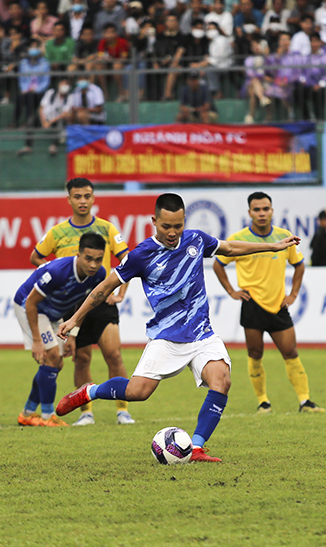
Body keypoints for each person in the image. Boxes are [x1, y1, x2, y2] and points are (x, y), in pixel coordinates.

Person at [55, 193, 301, 462]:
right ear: (154, 222)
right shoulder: (141, 255)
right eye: (166, 226)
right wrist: (75, 319)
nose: (173, 233)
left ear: (184, 221)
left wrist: (274, 247)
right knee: (138, 392)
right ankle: (89, 391)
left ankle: (196, 447)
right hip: (167, 337)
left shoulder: (196, 240)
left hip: (201, 333)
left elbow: (229, 248)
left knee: (222, 380)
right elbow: (103, 289)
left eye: (178, 225)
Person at [29, 177, 134, 426]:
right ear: (69, 200)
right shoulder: (57, 232)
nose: (83, 201)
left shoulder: (108, 229)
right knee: (82, 359)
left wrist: (119, 293)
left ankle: (123, 410)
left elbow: (128, 260)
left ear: (93, 198)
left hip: (101, 303)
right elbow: (36, 256)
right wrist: (55, 279)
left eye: (87, 196)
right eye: (77, 196)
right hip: (71, 307)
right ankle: (86, 412)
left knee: (114, 354)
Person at [212, 192, 325, 414]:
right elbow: (218, 264)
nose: (262, 213)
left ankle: (305, 401)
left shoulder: (284, 237)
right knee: (255, 354)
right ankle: (263, 402)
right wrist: (231, 291)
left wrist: (293, 294)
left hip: (278, 305)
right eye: (257, 209)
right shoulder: (238, 238)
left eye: (265, 209)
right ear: (249, 213)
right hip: (252, 304)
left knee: (291, 352)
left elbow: (299, 265)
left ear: (272, 210)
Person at [14, 233, 108, 427]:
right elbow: (31, 302)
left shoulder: (99, 275)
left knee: (56, 364)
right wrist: (37, 341)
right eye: (88, 259)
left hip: (54, 313)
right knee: (52, 358)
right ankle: (48, 416)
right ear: (79, 254)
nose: (93, 264)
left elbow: (83, 303)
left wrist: (72, 335)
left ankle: (28, 413)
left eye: (98, 260)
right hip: (29, 307)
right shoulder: (58, 271)